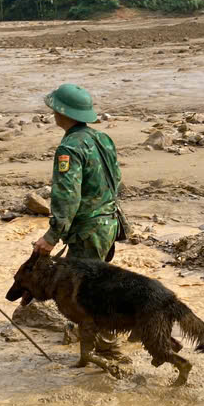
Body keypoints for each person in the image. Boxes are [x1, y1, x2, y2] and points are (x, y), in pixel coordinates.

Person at [31, 83, 126, 356]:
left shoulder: (69, 148)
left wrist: (51, 237)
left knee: (89, 292)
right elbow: (116, 180)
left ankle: (109, 348)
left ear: (63, 112)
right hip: (108, 224)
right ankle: (96, 342)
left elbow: (67, 197)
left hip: (88, 230)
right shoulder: (103, 139)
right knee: (96, 285)